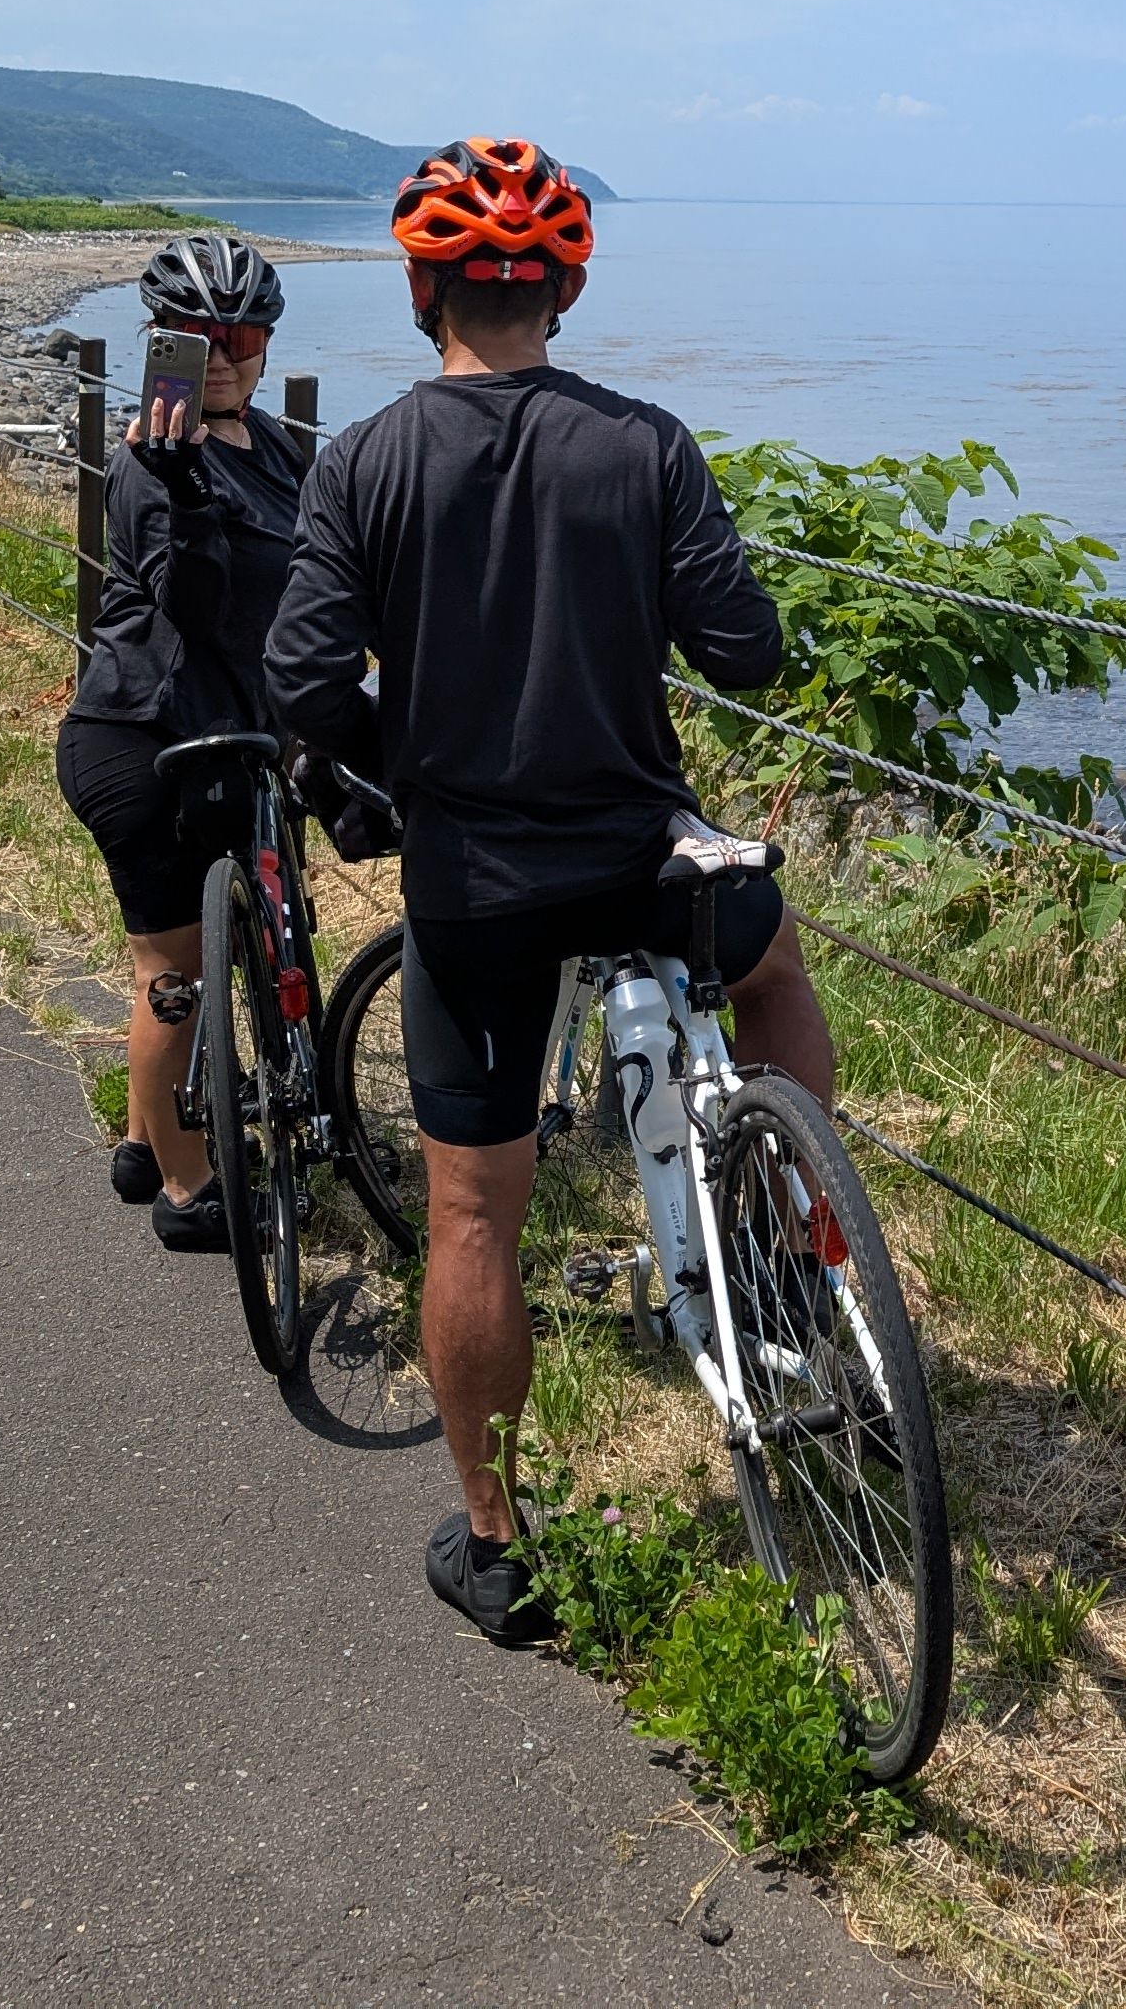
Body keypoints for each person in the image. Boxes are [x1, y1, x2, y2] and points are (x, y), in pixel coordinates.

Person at [265, 137, 833, 1644]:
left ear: (419, 285)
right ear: (567, 287)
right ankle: (790, 1241)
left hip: (479, 885)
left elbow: (305, 678)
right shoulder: (645, 446)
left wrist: (405, 766)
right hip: (642, 855)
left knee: (471, 1215)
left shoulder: (367, 460)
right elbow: (746, 651)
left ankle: (499, 1539)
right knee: (774, 979)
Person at [55, 232, 317, 1252]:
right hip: (144, 740)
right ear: (157, 341)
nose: (219, 354)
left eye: (240, 333)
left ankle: (139, 1140)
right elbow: (198, 603)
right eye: (190, 336)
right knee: (174, 975)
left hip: (231, 739)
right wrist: (182, 484)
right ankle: (186, 1189)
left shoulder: (283, 450)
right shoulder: (145, 465)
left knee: (182, 966)